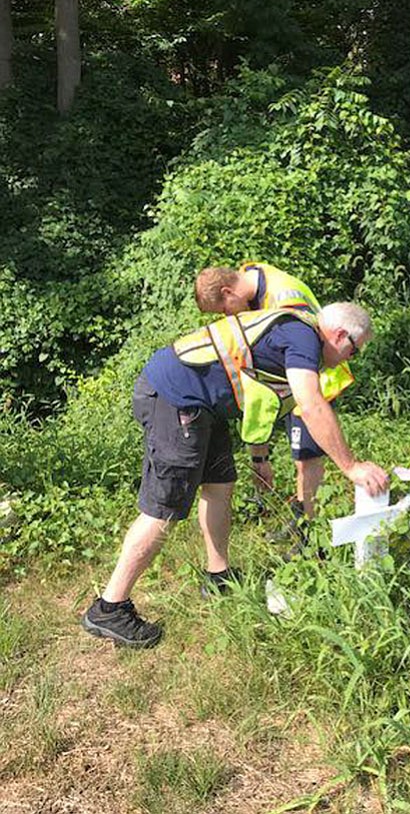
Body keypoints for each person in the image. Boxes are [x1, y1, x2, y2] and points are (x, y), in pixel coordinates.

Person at [81, 302, 388, 649]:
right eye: (354, 350)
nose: (350, 358)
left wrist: (260, 458)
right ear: (339, 334)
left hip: (203, 407)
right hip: (175, 397)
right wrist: (351, 466)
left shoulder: (297, 330)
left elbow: (259, 399)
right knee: (163, 508)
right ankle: (110, 607)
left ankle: (218, 577)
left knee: (219, 485)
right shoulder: (304, 338)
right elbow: (312, 404)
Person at [194, 263, 353, 541]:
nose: (226, 316)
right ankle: (300, 519)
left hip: (315, 383)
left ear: (228, 292)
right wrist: (259, 456)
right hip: (289, 382)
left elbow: (308, 360)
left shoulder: (284, 299)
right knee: (299, 457)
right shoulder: (251, 278)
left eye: (222, 310)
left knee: (306, 457)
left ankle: (309, 534)